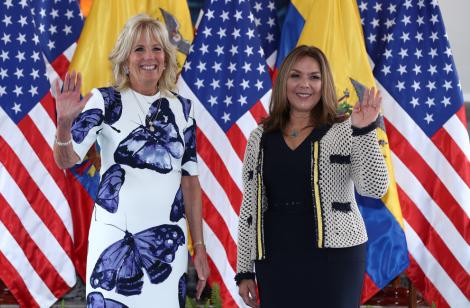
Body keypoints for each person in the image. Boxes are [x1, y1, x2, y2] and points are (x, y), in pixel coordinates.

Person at [52, 14, 209, 307]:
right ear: (125, 59)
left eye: (157, 48)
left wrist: (198, 247)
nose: (149, 56)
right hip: (113, 244)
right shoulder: (104, 100)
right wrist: (64, 125)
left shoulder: (183, 110)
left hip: (165, 247)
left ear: (166, 58)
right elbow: (67, 159)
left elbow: (190, 182)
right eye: (139, 49)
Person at [235, 45, 389, 308]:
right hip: (275, 259)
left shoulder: (346, 128)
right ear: (284, 81)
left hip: (336, 259)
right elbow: (249, 206)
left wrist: (364, 132)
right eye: (295, 76)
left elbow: (374, 188)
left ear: (324, 82)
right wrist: (245, 270)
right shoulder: (259, 137)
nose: (304, 84)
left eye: (314, 77)